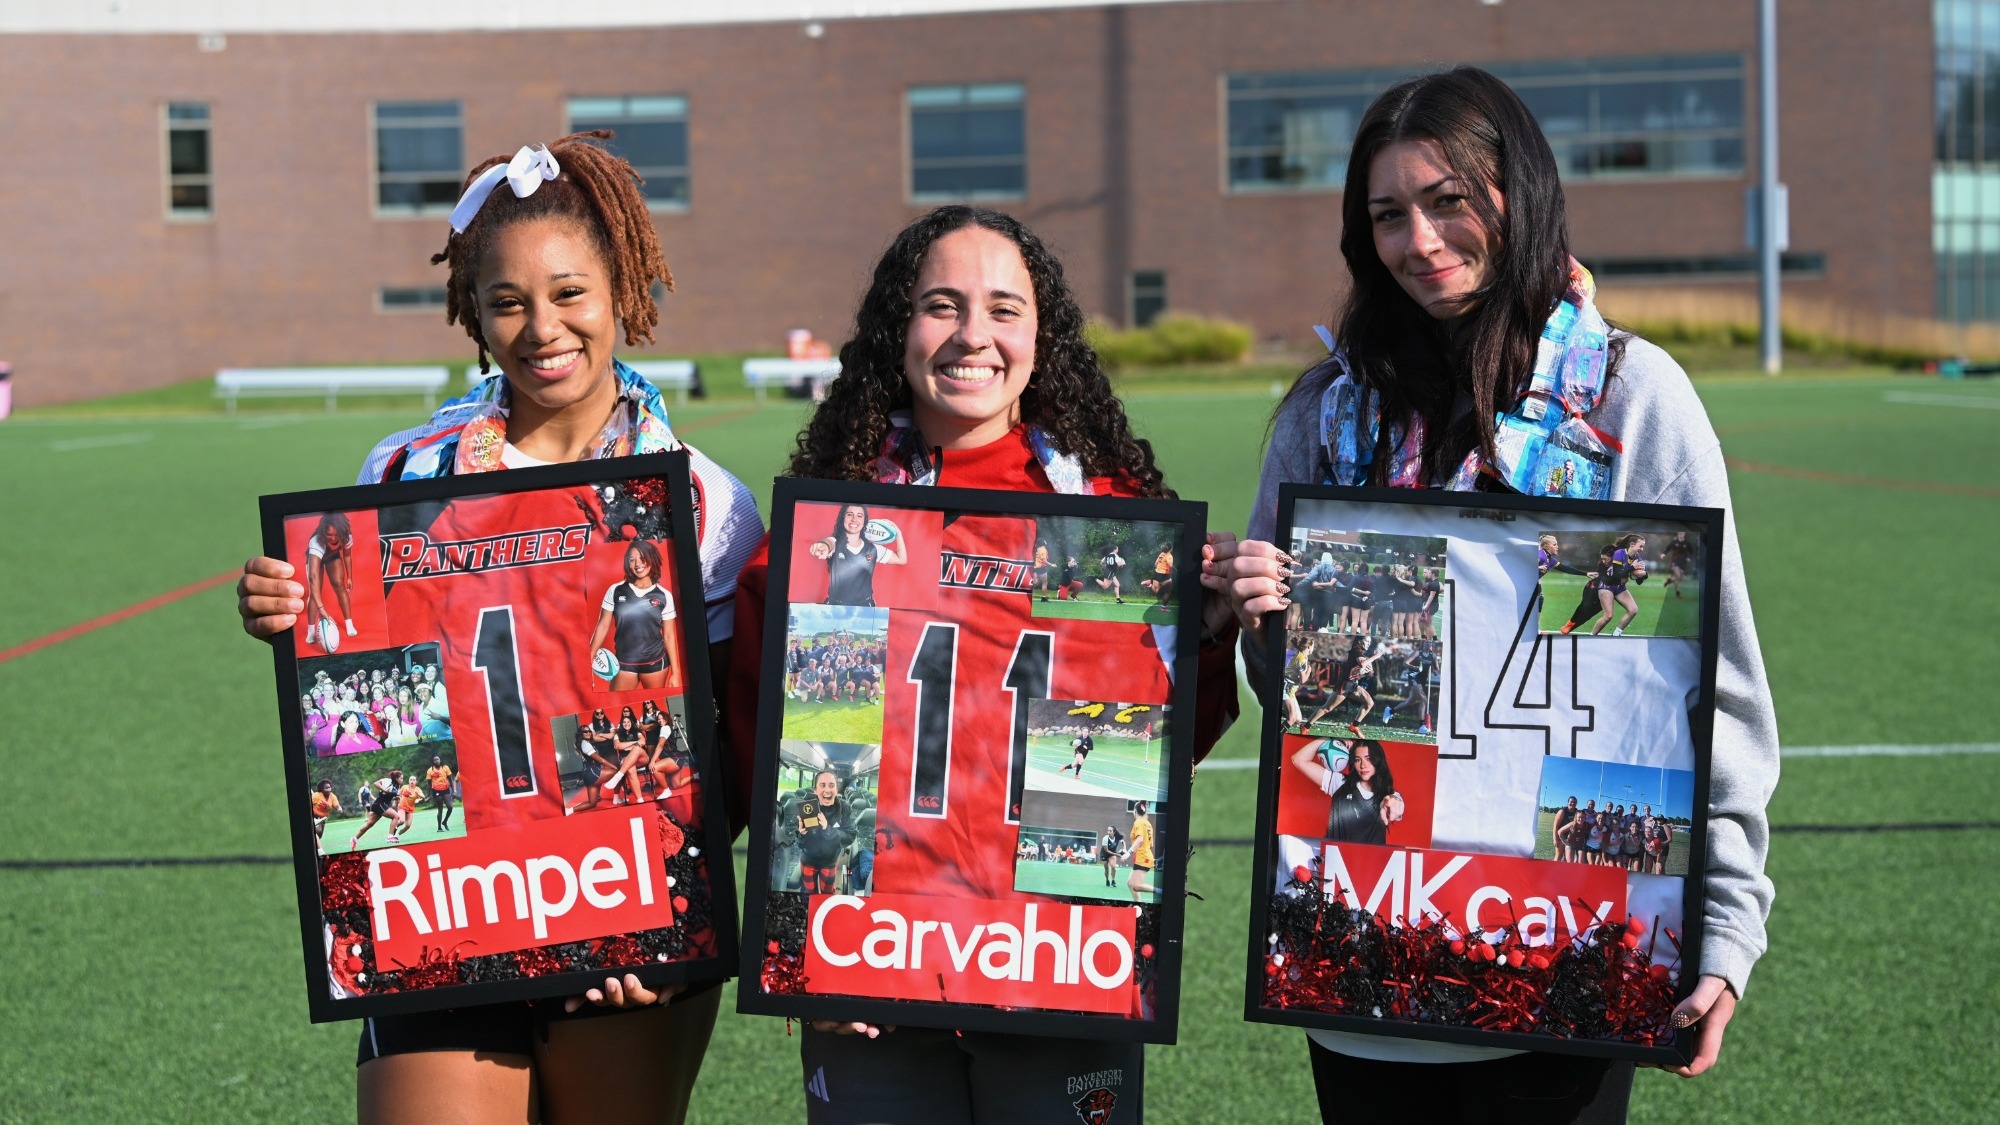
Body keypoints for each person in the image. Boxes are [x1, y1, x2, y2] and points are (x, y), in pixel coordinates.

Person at [1203, 67, 1778, 1103]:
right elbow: (1283, 696)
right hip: (1362, 965)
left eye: (1447, 202)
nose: (1418, 242)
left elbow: (1714, 688)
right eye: (1387, 215)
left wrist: (1724, 928)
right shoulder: (1324, 416)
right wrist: (1259, 612)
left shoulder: (1627, 397)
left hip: (1566, 965)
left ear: (1517, 194)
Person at [232, 132, 764, 1125]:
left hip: (620, 908)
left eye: (569, 294)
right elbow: (367, 705)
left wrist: (649, 909)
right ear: (472, 315)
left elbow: (723, 758)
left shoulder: (700, 500)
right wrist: (296, 619)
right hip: (440, 906)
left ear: (622, 291)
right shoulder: (401, 471)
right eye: (506, 302)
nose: (541, 328)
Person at [724, 205, 1241, 1125]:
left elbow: (1165, 756)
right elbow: (774, 757)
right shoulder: (829, 527)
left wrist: (1203, 632)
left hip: (1060, 961)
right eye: (942, 305)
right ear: (899, 327)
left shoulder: (1113, 516)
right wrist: (812, 940)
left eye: (1004, 309)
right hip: (874, 967)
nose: (973, 335)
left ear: (1043, 336)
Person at [588, 539, 681, 691]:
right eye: (632, 560)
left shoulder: (665, 595)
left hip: (655, 663)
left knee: (655, 707)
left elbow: (669, 635)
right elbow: (603, 626)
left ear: (652, 559)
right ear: (627, 563)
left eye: (643, 558)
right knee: (617, 709)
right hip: (624, 662)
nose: (638, 564)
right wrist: (589, 659)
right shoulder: (616, 590)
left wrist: (675, 673)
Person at [1289, 739, 1404, 845]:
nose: (1363, 765)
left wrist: (1395, 803)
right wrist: (1329, 739)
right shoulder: (1339, 783)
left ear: (1378, 761)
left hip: (1371, 863)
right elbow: (1298, 760)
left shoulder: (1388, 795)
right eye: (1358, 760)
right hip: (1335, 860)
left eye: (1369, 759)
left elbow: (1396, 803)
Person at [808, 503, 906, 606]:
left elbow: (901, 559)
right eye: (849, 514)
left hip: (865, 608)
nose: (854, 519)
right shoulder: (835, 543)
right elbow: (828, 543)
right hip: (835, 607)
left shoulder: (873, 548)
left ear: (864, 521)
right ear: (842, 519)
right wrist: (823, 545)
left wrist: (898, 533)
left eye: (859, 515)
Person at [303, 511, 357, 646]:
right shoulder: (316, 541)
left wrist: (349, 577)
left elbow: (347, 556)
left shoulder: (346, 536)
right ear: (323, 533)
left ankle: (349, 624)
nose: (333, 538)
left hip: (332, 555)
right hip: (316, 559)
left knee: (339, 584)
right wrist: (322, 609)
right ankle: (311, 631)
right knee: (315, 592)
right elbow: (313, 577)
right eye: (329, 535)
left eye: (336, 535)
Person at [795, 770, 853, 895]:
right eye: (822, 785)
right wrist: (802, 834)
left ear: (837, 790)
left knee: (827, 894)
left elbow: (849, 836)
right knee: (809, 895)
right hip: (808, 860)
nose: (827, 790)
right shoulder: (806, 807)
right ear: (815, 790)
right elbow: (800, 843)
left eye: (831, 785)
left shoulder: (845, 808)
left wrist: (828, 829)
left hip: (829, 862)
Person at [1591, 534, 1649, 636]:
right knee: (1608, 616)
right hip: (1607, 586)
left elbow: (1639, 581)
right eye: (1640, 546)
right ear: (1632, 544)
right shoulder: (1619, 553)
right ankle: (1591, 636)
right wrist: (1632, 568)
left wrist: (1644, 574)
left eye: (1643, 546)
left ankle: (1616, 634)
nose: (1642, 549)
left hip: (1619, 587)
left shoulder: (1637, 558)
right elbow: (1617, 574)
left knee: (1633, 610)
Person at [1126, 800, 1158, 902]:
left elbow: (1140, 839)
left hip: (1142, 858)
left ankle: (1162, 891)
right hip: (1144, 857)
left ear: (1134, 811)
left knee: (1135, 885)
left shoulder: (1138, 822)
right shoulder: (1148, 823)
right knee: (1131, 883)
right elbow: (1151, 844)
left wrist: (1128, 852)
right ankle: (1139, 905)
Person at [311, 781, 342, 856]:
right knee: (314, 833)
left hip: (322, 819)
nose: (328, 789)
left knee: (319, 835)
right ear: (322, 789)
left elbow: (337, 805)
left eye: (329, 787)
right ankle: (320, 851)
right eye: (326, 788)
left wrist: (339, 809)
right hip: (314, 817)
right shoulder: (316, 796)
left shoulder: (332, 796)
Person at [425, 754, 455, 832]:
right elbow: (429, 783)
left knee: (450, 807)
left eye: (438, 759)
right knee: (440, 809)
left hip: (446, 789)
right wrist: (428, 795)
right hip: (436, 790)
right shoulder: (430, 770)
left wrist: (454, 790)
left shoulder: (445, 767)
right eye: (435, 760)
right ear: (433, 761)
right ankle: (439, 828)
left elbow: (450, 779)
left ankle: (444, 821)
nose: (436, 761)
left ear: (440, 760)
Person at [1552, 795, 1580, 863]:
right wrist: (1555, 839)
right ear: (1568, 802)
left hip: (1570, 838)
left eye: (1574, 802)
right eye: (1571, 802)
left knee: (1568, 858)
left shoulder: (1577, 812)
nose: (1572, 803)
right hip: (1561, 837)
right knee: (1559, 855)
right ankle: (1554, 871)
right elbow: (1555, 826)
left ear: (1576, 804)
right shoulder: (1562, 811)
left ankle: (1565, 872)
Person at [1097, 823, 1125, 887]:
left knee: (1113, 867)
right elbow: (1106, 850)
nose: (1108, 832)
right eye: (1108, 830)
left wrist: (1124, 849)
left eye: (1110, 831)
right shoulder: (1105, 838)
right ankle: (1107, 880)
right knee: (1106, 869)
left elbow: (1123, 842)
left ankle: (1113, 880)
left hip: (1112, 853)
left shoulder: (1117, 837)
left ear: (1114, 832)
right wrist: (1117, 854)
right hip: (1105, 853)